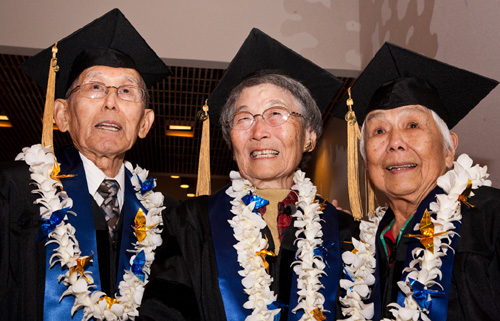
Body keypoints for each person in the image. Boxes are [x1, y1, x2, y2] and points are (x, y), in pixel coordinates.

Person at [140, 28, 360, 321]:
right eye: (244, 118)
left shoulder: (344, 232)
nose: (259, 131)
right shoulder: (188, 224)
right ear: (232, 146)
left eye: (276, 113)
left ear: (309, 135)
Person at [0, 9, 189, 321]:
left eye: (127, 91)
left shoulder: (170, 219)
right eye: (95, 87)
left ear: (144, 122)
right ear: (62, 115)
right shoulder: (15, 191)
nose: (111, 102)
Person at [334, 42, 500, 320]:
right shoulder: (354, 247)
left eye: (412, 125)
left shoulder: (490, 220)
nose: (395, 142)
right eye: (379, 130)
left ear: (449, 149)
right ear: (366, 161)